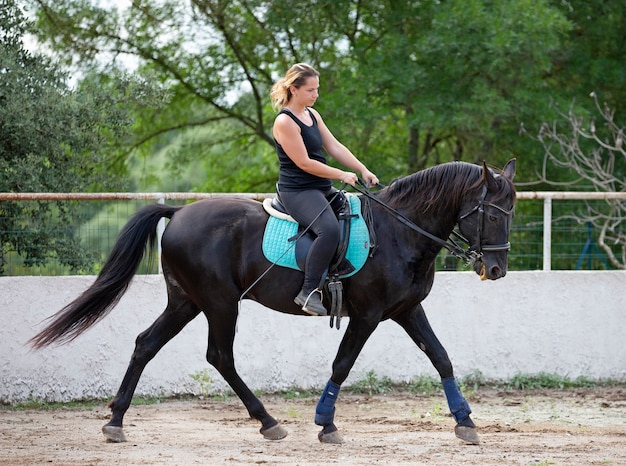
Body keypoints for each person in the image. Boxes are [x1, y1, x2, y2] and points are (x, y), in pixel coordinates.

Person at [270, 63, 379, 316]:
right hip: (298, 191)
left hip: (320, 188)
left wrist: (363, 169)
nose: (315, 94)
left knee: (359, 216)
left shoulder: (312, 114)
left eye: (317, 89)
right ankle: (308, 292)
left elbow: (335, 147)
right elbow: (304, 163)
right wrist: (341, 174)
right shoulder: (285, 121)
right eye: (310, 90)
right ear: (294, 89)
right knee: (328, 230)